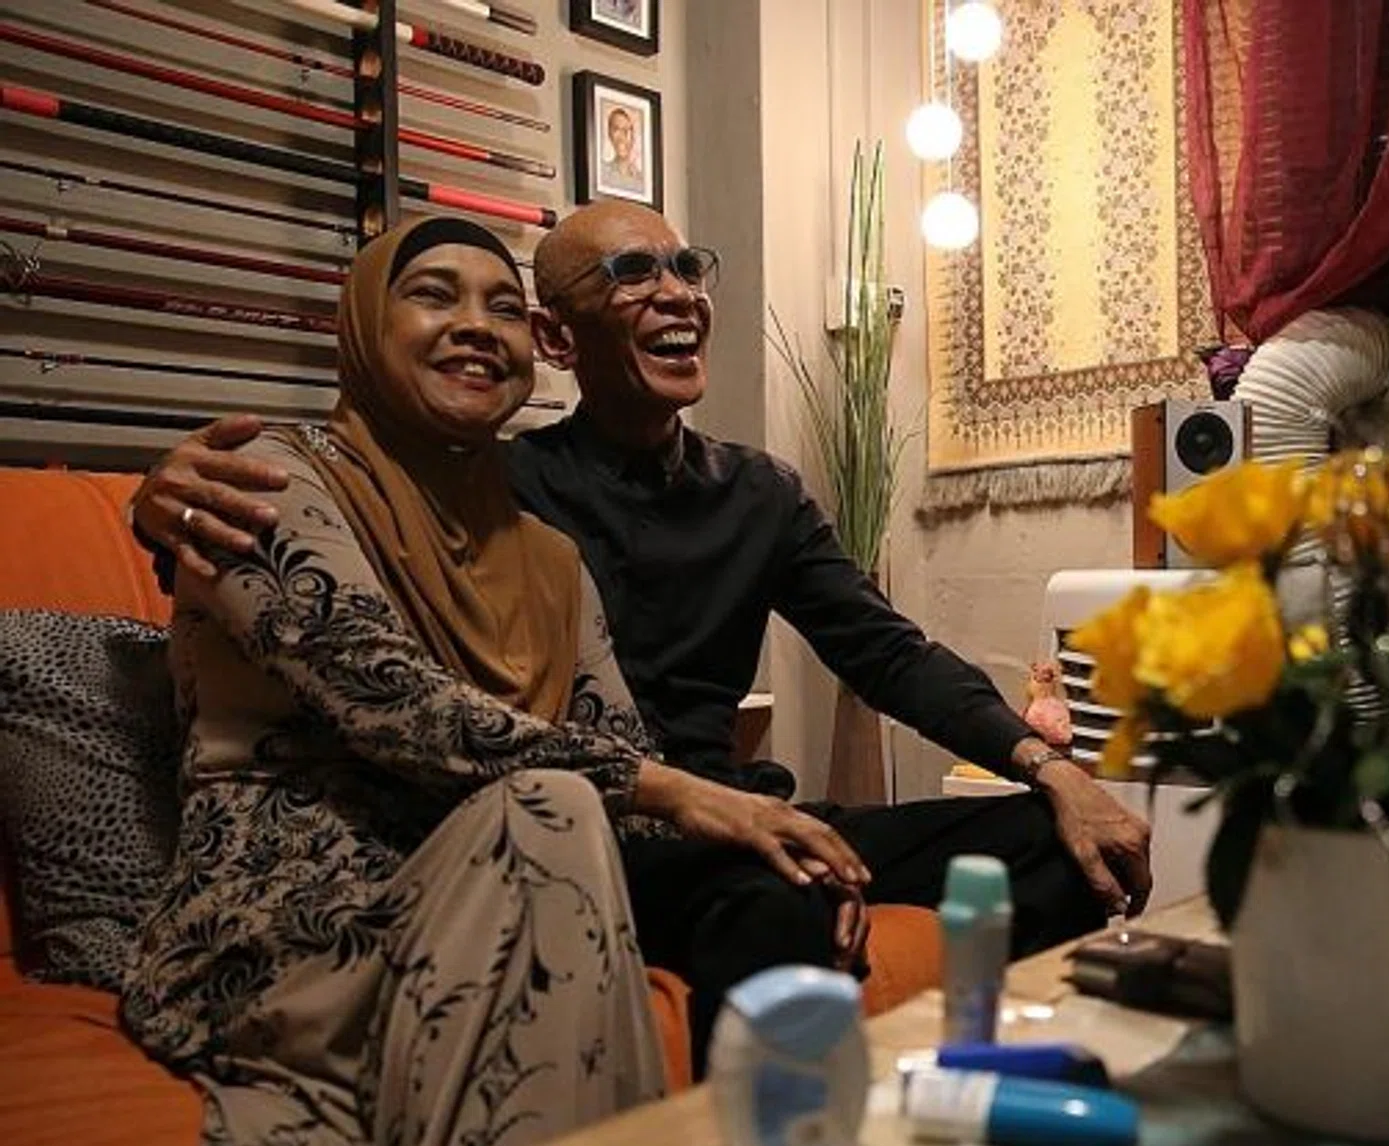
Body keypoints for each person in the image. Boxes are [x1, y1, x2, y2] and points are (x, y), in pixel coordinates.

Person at [131, 200, 1153, 984]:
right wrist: (162, 508)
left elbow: (886, 652)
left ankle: (985, 1100)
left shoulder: (758, 494)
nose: (677, 293)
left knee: (1051, 848)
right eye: (631, 273)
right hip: (582, 826)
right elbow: (326, 569)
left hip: (724, 813)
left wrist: (1046, 766)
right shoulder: (497, 493)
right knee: (765, 898)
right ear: (559, 340)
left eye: (686, 267)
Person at [121, 216, 868, 1146]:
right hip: (293, 935)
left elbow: (613, 757)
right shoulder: (266, 479)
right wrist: (686, 790)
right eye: (433, 294)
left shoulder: (548, 558)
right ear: (362, 327)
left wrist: (776, 856)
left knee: (570, 813)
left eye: (504, 307)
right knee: (550, 805)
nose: (477, 325)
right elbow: (389, 699)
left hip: (496, 894)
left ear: (535, 351)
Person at [600, 106, 645, 192]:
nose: (622, 137)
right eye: (616, 130)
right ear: (610, 135)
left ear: (633, 136)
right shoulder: (602, 172)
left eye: (626, 130)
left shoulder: (642, 181)